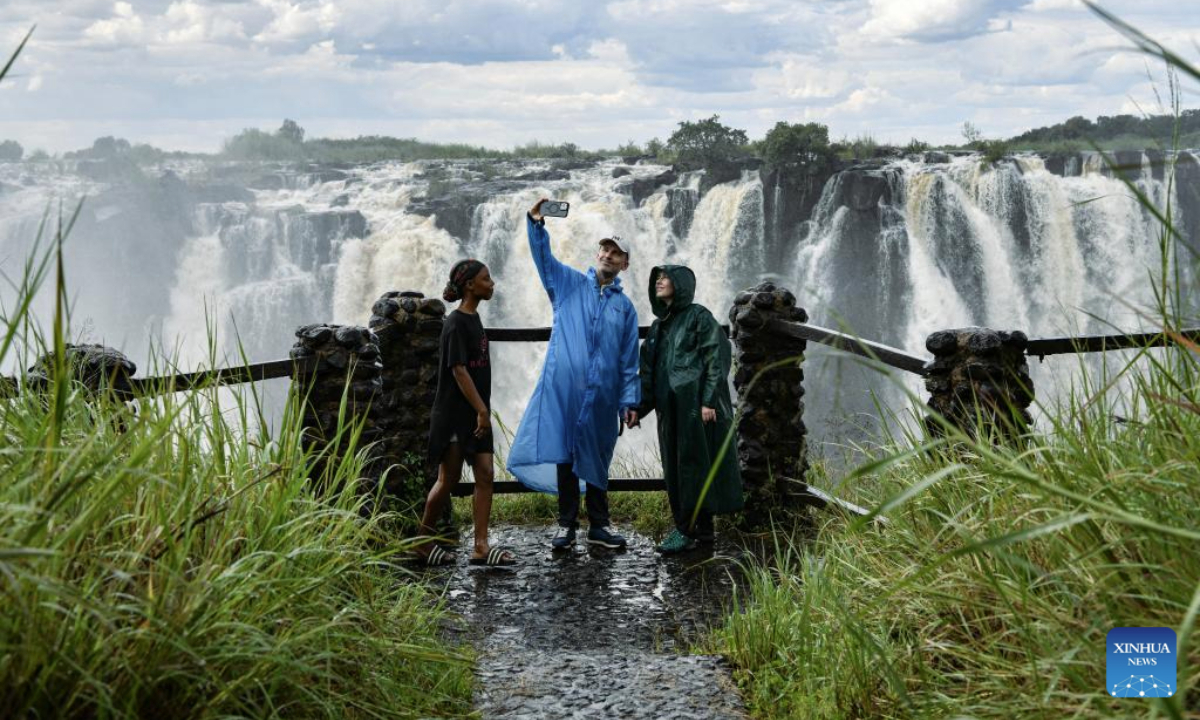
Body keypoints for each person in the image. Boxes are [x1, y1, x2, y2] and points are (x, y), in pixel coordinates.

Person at [507, 198, 641, 550]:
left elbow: (629, 360)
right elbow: (545, 263)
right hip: (565, 389)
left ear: (625, 263)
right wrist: (536, 224)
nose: (608, 255)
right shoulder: (568, 285)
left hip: (604, 393)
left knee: (598, 454)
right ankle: (566, 525)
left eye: (616, 252)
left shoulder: (625, 308)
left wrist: (629, 400)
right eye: (605, 249)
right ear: (598, 254)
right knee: (566, 456)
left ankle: (599, 527)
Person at [637, 265, 743, 553]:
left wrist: (709, 400)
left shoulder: (699, 316)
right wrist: (639, 407)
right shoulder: (659, 327)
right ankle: (688, 530)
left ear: (681, 284)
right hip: (669, 411)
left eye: (666, 277)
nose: (659, 281)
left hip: (695, 408)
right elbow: (648, 371)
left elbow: (716, 355)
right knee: (675, 469)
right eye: (657, 277)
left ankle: (696, 533)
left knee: (696, 466)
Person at [416, 259, 515, 567]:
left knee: (485, 474)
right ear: (470, 285)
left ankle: (481, 546)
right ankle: (422, 540)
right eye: (486, 279)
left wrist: (481, 412)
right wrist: (482, 410)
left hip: (475, 414)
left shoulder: (473, 319)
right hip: (457, 414)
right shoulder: (455, 323)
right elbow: (458, 370)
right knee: (448, 478)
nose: (492, 283)